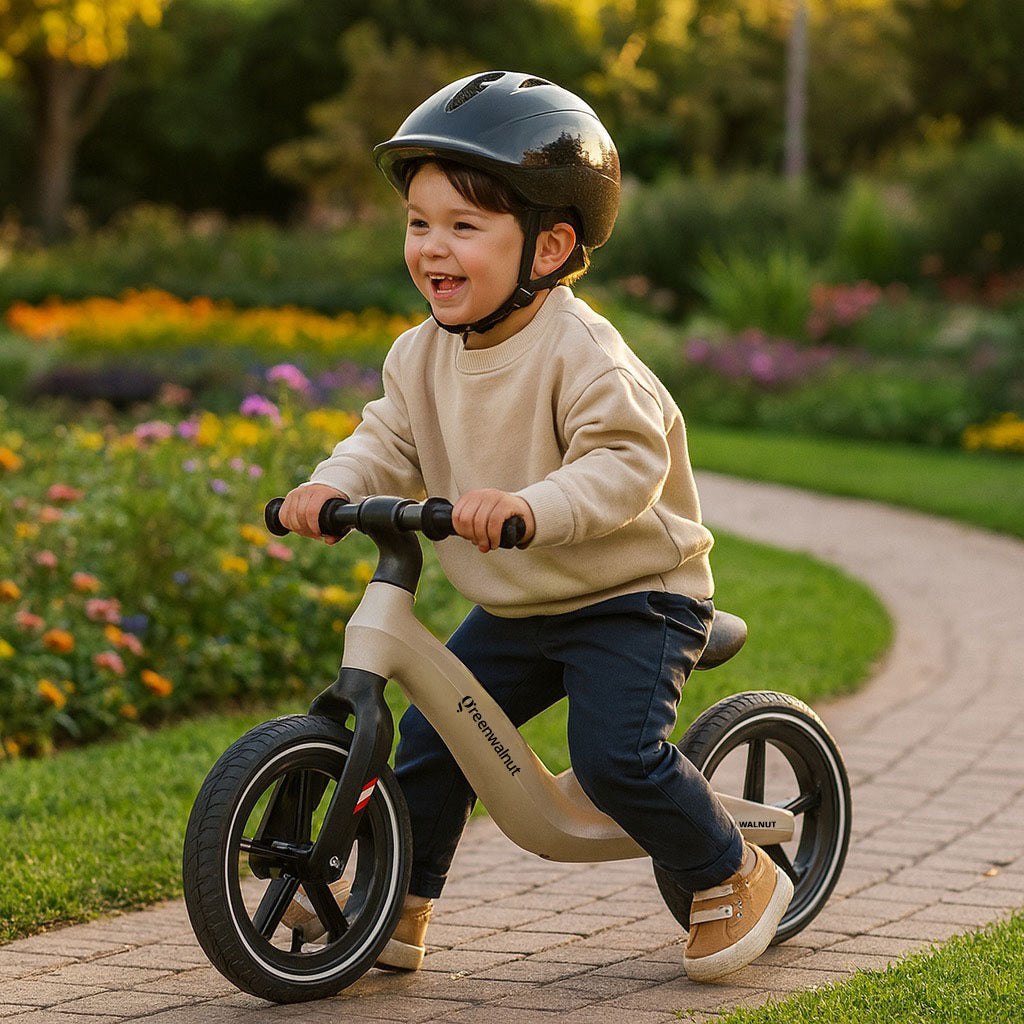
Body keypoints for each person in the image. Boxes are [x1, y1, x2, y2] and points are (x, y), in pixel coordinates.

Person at [277, 71, 792, 983]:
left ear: (550, 246)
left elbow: (623, 467)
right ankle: (397, 904)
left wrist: (528, 508)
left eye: (464, 227)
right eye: (419, 223)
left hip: (634, 596)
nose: (433, 248)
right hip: (520, 604)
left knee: (616, 758)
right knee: (431, 748)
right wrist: (327, 487)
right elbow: (385, 438)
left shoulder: (582, 351)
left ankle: (733, 874)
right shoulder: (419, 352)